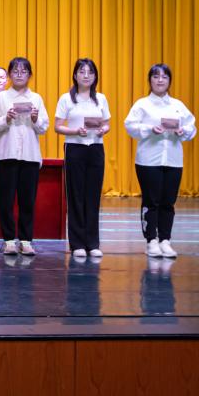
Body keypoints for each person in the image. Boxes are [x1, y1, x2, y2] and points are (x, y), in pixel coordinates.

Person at [124, 63, 197, 258]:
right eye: (156, 76)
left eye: (164, 77)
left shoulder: (177, 105)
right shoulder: (142, 104)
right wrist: (149, 129)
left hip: (173, 160)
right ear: (150, 80)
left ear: (169, 81)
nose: (160, 80)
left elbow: (192, 127)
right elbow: (129, 125)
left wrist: (183, 131)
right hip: (148, 160)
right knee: (151, 201)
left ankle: (165, 240)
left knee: (168, 202)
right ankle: (151, 241)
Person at [0, 57, 49, 256]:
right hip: (6, 154)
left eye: (24, 71)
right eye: (15, 71)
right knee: (5, 200)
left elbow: (44, 127)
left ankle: (26, 240)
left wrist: (35, 118)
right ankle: (8, 240)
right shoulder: (1, 98)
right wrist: (6, 118)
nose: (19, 74)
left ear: (30, 75)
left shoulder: (36, 98)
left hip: (30, 156)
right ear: (9, 75)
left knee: (27, 200)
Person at [54, 58, 110, 259]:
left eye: (90, 72)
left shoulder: (100, 98)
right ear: (75, 75)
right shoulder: (66, 99)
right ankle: (77, 243)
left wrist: (103, 130)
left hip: (95, 148)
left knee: (93, 196)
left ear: (95, 76)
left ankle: (92, 243)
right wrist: (75, 131)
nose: (86, 75)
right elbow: (57, 126)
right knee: (76, 196)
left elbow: (107, 124)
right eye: (82, 71)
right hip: (75, 148)